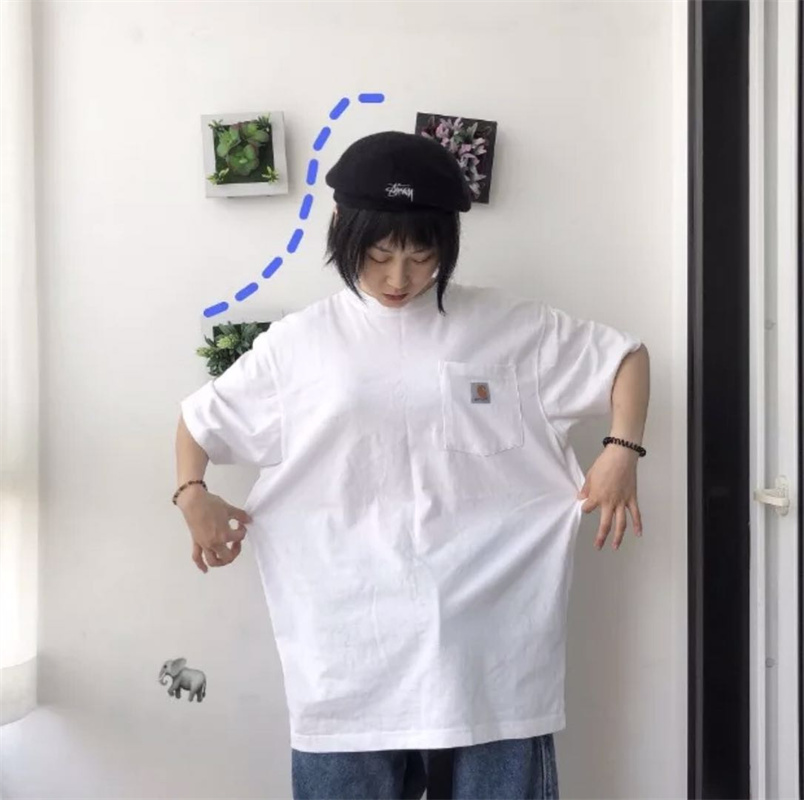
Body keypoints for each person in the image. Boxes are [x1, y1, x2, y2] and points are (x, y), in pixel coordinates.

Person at [174, 130, 648, 799]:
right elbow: (198, 422)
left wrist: (622, 451)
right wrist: (193, 493)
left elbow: (626, 358)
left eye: (422, 256)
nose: (400, 279)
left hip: (491, 660)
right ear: (341, 230)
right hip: (348, 664)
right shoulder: (300, 345)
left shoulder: (510, 327)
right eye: (378, 256)